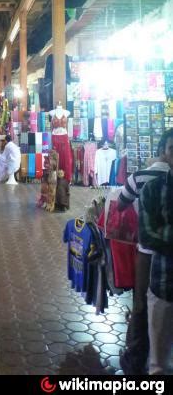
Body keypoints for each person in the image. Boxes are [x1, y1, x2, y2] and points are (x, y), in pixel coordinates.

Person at [118, 128, 173, 375]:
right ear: (164, 151)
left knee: (141, 306)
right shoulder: (156, 187)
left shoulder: (139, 178)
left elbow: (120, 204)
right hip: (158, 258)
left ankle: (135, 359)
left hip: (146, 254)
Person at [138, 131, 173, 375]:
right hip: (164, 283)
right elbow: (148, 235)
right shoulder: (153, 189)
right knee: (158, 365)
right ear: (165, 152)